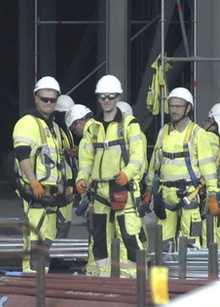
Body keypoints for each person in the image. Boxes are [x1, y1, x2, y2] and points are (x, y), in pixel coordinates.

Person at [75, 75, 147, 277]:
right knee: (100, 239)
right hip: (99, 191)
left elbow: (138, 157)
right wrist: (82, 178)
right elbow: (87, 159)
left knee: (129, 235)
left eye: (111, 96)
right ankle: (103, 277)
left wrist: (127, 174)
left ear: (118, 98)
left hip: (122, 189)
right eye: (103, 97)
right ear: (98, 98)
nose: (107, 100)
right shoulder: (92, 127)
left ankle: (134, 278)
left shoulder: (130, 124)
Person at [143, 87, 219, 252]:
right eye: (172, 106)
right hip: (165, 195)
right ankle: (165, 277)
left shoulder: (198, 133)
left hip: (189, 194)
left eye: (178, 106)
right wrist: (149, 188)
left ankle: (190, 277)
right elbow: (155, 163)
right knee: (163, 243)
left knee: (190, 242)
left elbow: (208, 166)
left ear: (188, 108)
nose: (174, 110)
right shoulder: (164, 132)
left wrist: (212, 194)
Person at [12, 76, 74, 273]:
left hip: (51, 194)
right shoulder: (27, 123)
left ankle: (40, 277)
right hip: (36, 192)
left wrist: (67, 186)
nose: (48, 103)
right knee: (35, 237)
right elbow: (22, 154)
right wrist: (33, 182)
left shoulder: (54, 127)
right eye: (44, 99)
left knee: (46, 238)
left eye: (52, 100)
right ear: (35, 98)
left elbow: (60, 161)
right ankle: (32, 279)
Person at [52, 94, 77, 239]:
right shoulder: (55, 131)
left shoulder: (66, 131)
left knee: (65, 223)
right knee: (59, 224)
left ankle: (58, 257)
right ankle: (55, 259)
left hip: (69, 185)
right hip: (62, 185)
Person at [200, 103, 220, 246]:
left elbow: (206, 167)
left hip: (212, 194)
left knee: (210, 234)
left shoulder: (208, 137)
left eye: (208, 120)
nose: (203, 123)